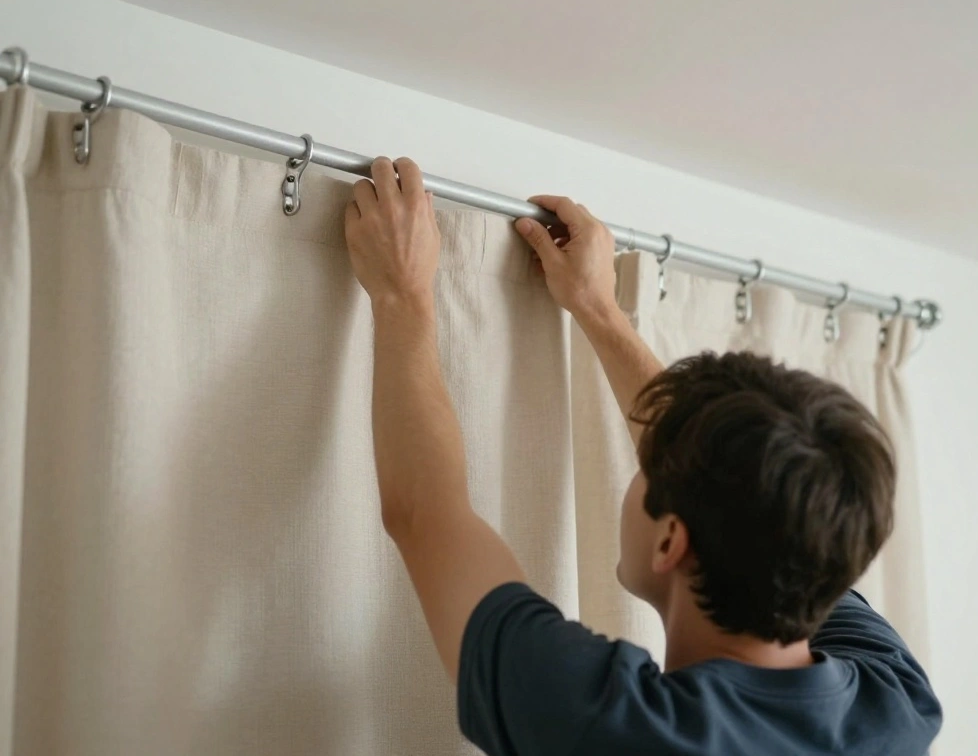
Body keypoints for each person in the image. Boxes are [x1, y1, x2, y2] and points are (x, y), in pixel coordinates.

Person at [343, 156, 942, 755]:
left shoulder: (617, 724)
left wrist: (401, 294)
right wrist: (599, 310)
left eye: (651, 469)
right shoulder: (895, 704)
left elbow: (427, 514)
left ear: (670, 540)